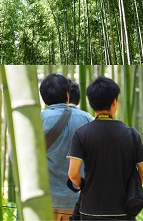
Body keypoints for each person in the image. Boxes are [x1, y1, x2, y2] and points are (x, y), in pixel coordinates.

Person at [67, 76, 143, 220]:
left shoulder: (81, 134)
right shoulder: (131, 134)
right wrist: (130, 187)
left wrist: (83, 187)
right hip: (123, 211)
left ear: (91, 103)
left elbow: (73, 174)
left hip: (90, 211)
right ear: (114, 102)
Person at [40, 74, 93, 221]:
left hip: (46, 200)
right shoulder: (87, 119)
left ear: (43, 96)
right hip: (77, 201)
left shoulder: (38, 121)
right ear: (67, 94)